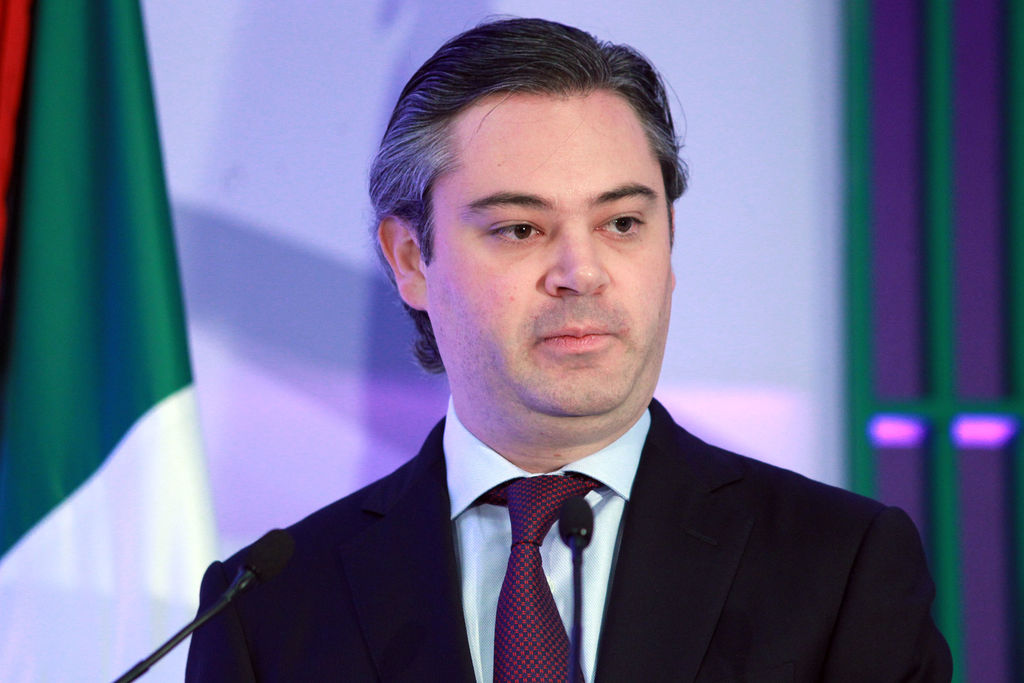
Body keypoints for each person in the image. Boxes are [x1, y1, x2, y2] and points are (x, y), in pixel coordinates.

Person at [185, 17, 951, 682]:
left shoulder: (840, 567)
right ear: (411, 258)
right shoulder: (267, 607)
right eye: (521, 228)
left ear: (669, 242)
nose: (581, 272)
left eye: (622, 223)